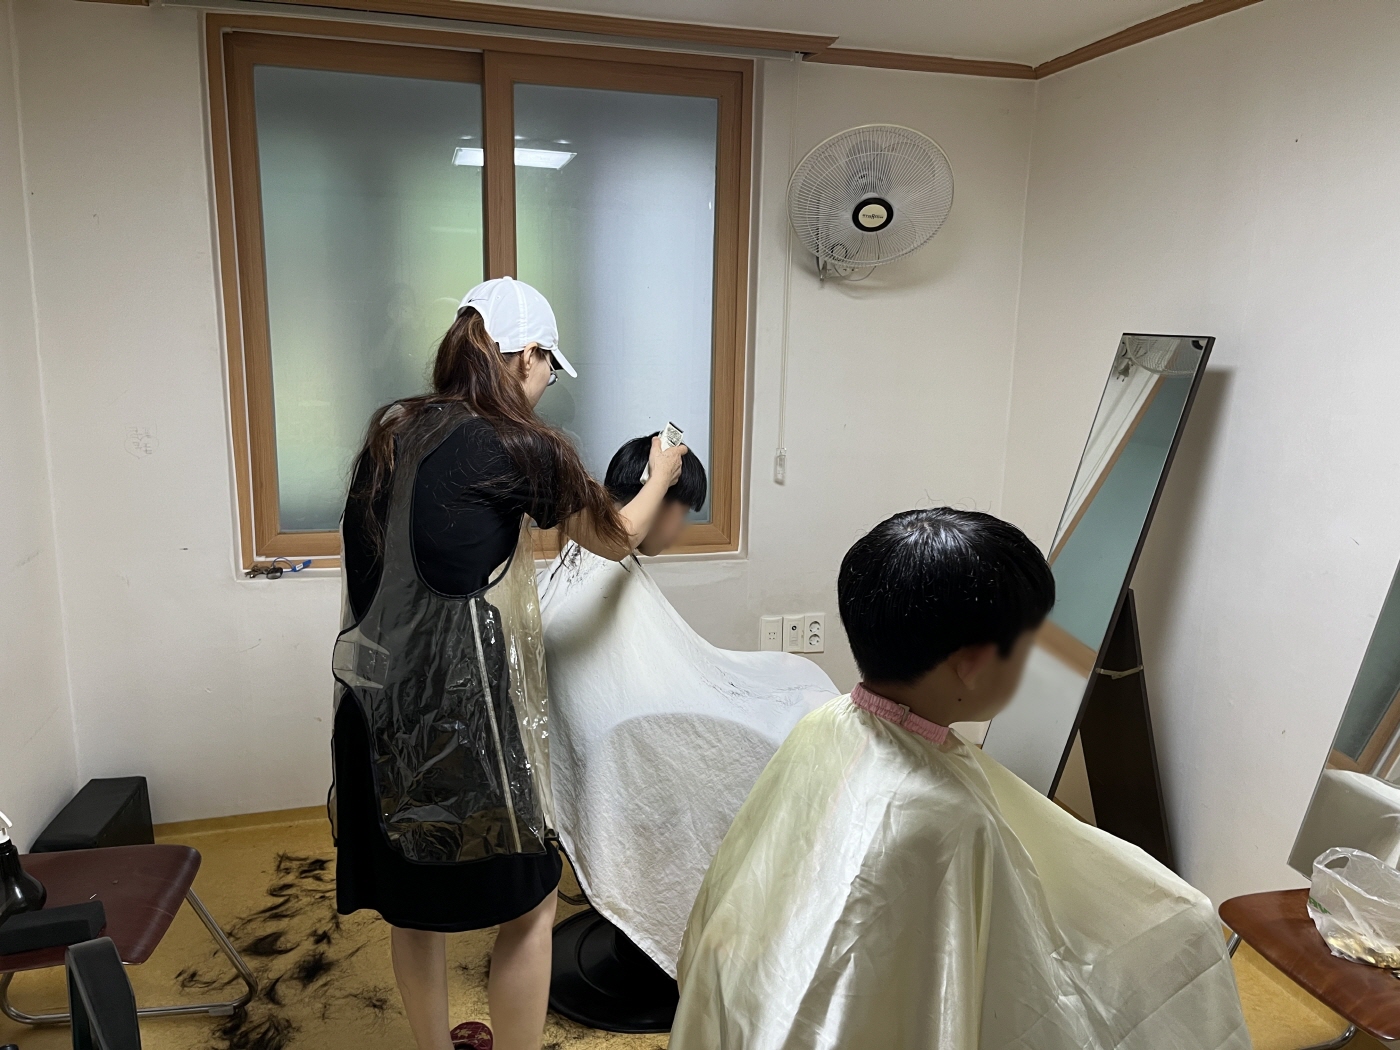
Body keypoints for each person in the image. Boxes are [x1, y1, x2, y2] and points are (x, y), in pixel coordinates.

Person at [671, 508, 1250, 1050]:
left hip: (756, 999)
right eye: (1027, 648)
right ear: (972, 665)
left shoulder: (828, 721)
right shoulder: (942, 820)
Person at [332, 277, 687, 1050]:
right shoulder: (522, 444)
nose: (547, 381)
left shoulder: (390, 432)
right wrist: (661, 475)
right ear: (527, 355)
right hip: (469, 728)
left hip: (373, 714)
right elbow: (617, 536)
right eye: (549, 365)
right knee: (529, 907)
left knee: (413, 909)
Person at [536, 435, 837, 975]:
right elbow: (648, 692)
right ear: (662, 501)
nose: (679, 531)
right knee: (801, 731)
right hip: (631, 738)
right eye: (684, 513)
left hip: (609, 732)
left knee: (794, 674)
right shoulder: (606, 570)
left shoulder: (580, 559)